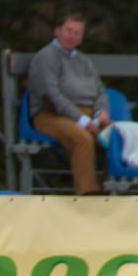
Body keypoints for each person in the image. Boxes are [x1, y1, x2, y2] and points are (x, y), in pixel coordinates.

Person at [27, 11, 113, 195]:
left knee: (119, 134)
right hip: (51, 115)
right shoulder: (46, 57)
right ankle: (87, 193)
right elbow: (52, 95)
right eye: (68, 30)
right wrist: (82, 120)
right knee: (81, 137)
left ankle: (112, 188)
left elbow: (100, 90)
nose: (72, 36)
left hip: (87, 114)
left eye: (77, 33)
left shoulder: (84, 61)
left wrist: (101, 113)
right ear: (57, 31)